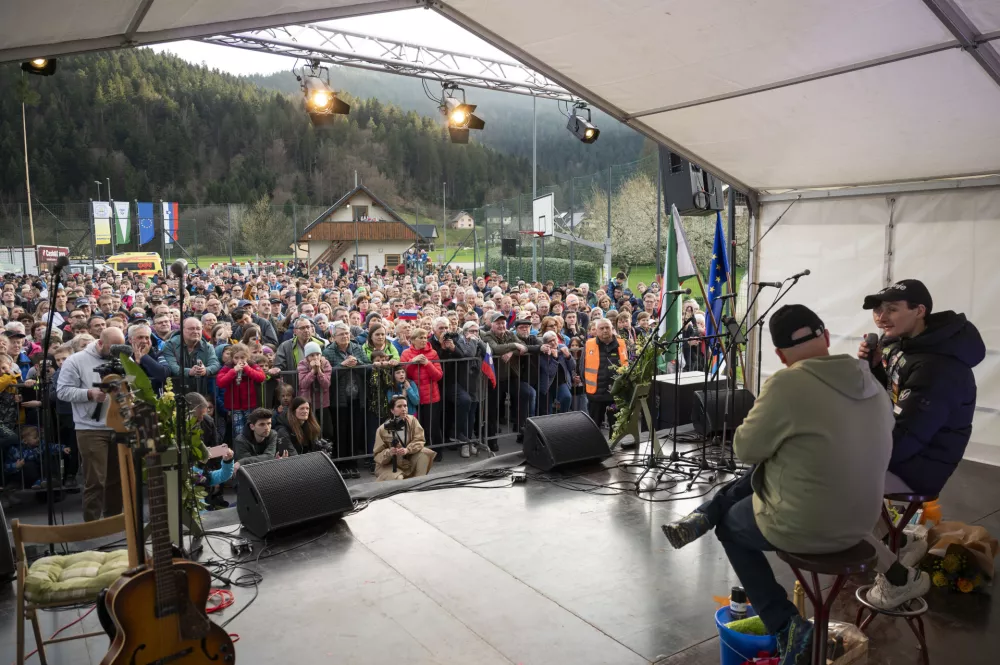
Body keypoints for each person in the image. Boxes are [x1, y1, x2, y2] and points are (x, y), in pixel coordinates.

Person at [662, 304, 895, 665]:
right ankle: (707, 512)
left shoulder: (788, 383)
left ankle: (787, 626)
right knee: (780, 462)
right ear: (826, 337)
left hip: (809, 525)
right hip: (865, 522)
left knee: (732, 524)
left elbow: (744, 448)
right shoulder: (872, 383)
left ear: (781, 355)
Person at [858, 279, 985, 608]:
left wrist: (852, 455)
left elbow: (904, 441)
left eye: (892, 309)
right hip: (905, 451)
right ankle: (896, 542)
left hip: (919, 467)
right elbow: (895, 397)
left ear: (919, 311)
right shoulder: (905, 344)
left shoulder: (938, 366)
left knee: (832, 487)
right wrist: (875, 369)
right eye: (878, 310)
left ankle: (899, 578)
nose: (881, 317)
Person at [55, 327, 126, 522]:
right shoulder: (75, 361)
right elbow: (62, 391)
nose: (116, 353)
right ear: (100, 343)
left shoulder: (122, 358)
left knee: (117, 479)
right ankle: (92, 524)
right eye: (113, 348)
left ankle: (114, 521)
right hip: (90, 428)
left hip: (118, 425)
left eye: (120, 348)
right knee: (95, 480)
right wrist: (89, 393)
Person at [323, 321, 370, 478]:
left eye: (347, 333)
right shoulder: (328, 351)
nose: (345, 336)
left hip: (357, 398)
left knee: (355, 431)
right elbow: (326, 375)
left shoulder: (357, 348)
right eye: (341, 334)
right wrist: (342, 365)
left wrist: (358, 363)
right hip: (339, 399)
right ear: (334, 337)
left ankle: (352, 464)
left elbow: (368, 368)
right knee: (341, 432)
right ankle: (341, 464)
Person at [400, 327, 444, 452]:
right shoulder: (406, 353)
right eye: (421, 338)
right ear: (413, 340)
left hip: (431, 396)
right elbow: (402, 375)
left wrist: (427, 363)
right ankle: (418, 452)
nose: (424, 340)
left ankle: (436, 451)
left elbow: (438, 376)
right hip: (413, 396)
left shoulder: (433, 353)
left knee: (432, 426)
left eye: (425, 337)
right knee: (416, 426)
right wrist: (411, 362)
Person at [373, 395, 436, 481]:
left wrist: (408, 450)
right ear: (392, 410)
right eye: (399, 406)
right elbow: (377, 455)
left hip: (406, 459)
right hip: (389, 465)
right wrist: (389, 452)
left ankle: (418, 484)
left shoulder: (412, 420)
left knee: (425, 453)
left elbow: (419, 439)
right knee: (399, 478)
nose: (403, 409)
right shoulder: (382, 429)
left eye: (405, 406)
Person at [216, 343, 267, 436]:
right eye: (236, 358)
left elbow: (261, 377)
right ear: (232, 358)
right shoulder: (228, 366)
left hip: (250, 405)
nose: (240, 360)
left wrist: (247, 368)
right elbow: (220, 382)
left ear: (247, 357)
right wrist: (233, 371)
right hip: (235, 407)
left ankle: (250, 444)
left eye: (242, 357)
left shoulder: (252, 365)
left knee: (251, 429)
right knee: (238, 430)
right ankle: (240, 444)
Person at [584, 319, 627, 430]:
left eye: (607, 327)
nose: (605, 330)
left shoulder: (621, 344)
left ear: (612, 329)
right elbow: (582, 367)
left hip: (616, 394)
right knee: (594, 427)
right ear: (596, 330)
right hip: (596, 394)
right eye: (601, 328)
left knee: (616, 427)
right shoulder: (589, 344)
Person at [162, 317, 221, 393]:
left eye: (198, 329)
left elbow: (215, 364)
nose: (195, 331)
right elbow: (172, 367)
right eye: (191, 329)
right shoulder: (170, 345)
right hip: (176, 393)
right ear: (182, 330)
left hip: (200, 393)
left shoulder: (208, 346)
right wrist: (190, 372)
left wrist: (205, 370)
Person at [297, 341, 332, 436]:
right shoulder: (302, 364)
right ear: (307, 357)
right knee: (310, 431)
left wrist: (319, 371)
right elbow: (303, 384)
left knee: (327, 431)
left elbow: (326, 384)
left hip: (322, 402)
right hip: (308, 402)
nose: (315, 357)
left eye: (317, 354)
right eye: (312, 355)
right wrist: (312, 371)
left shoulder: (326, 363)